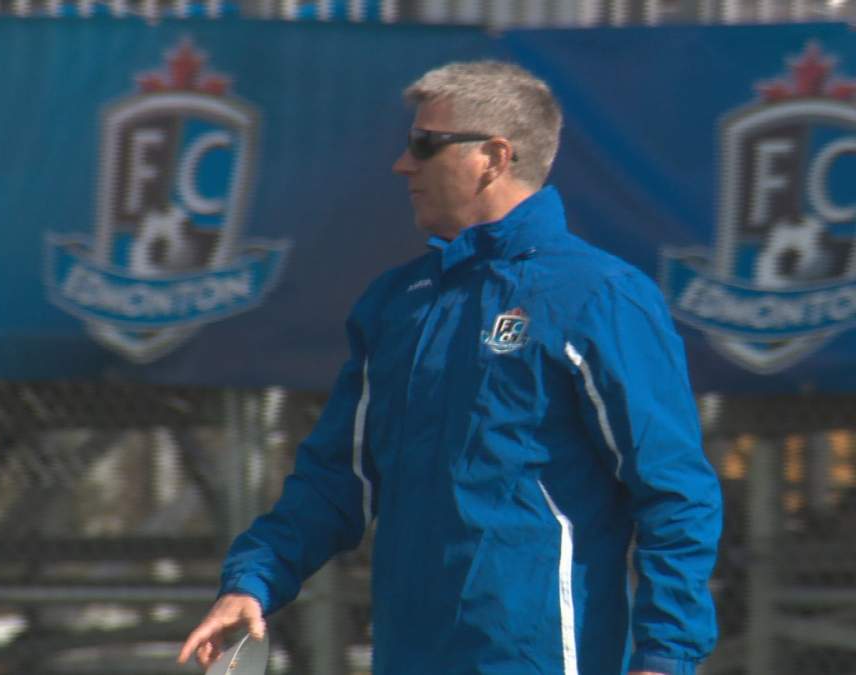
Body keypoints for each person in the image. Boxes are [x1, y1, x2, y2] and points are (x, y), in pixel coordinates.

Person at [178, 61, 723, 675]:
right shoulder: (398, 303)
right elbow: (337, 479)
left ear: (493, 156)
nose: (401, 164)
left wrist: (666, 656)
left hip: (542, 657)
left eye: (424, 144)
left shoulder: (600, 296)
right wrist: (251, 582)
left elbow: (675, 492)